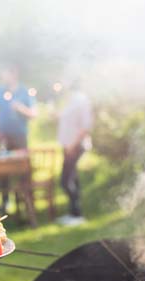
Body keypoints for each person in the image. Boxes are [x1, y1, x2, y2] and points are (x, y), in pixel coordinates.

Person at [0, 64, 37, 213]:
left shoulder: (24, 91)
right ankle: (5, 204)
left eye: (5, 73)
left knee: (23, 170)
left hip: (20, 136)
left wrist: (20, 108)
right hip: (3, 137)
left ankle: (26, 204)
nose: (3, 77)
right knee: (3, 171)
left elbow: (33, 114)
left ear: (14, 73)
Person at [56, 81, 93, 226]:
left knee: (65, 180)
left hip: (75, 146)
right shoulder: (72, 101)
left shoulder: (81, 100)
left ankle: (77, 215)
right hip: (68, 146)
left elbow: (86, 126)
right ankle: (74, 214)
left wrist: (72, 144)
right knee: (72, 179)